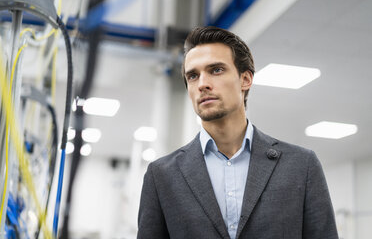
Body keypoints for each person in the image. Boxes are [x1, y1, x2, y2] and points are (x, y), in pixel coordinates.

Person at [137, 26, 338, 239]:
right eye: (193, 76)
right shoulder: (161, 176)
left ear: (246, 79)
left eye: (216, 70)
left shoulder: (301, 165)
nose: (203, 84)